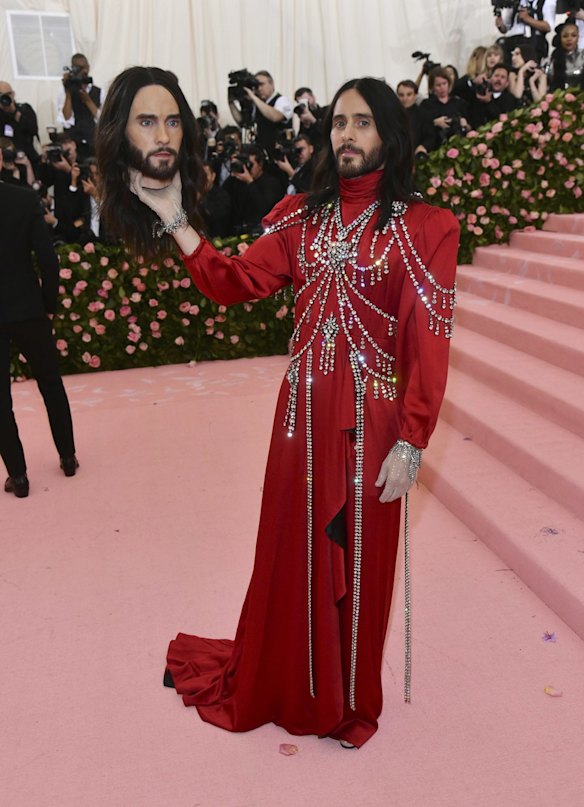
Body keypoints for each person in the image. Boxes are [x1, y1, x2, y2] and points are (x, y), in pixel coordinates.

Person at [97, 70, 458, 749]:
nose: (346, 135)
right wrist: (177, 217)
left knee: (363, 562)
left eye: (362, 123)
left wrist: (413, 440)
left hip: (375, 424)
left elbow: (428, 340)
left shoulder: (425, 228)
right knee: (295, 558)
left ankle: (346, 702)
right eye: (339, 123)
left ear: (389, 134)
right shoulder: (300, 220)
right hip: (299, 425)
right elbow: (233, 282)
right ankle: (293, 684)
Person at [0, 148, 78, 498]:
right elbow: (48, 259)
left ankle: (18, 478)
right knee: (51, 384)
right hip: (30, 309)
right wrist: (48, 305)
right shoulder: (23, 199)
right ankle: (68, 457)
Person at [57, 53, 106, 160]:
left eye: (84, 67)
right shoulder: (64, 92)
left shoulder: (99, 92)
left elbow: (102, 119)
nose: (83, 71)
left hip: (93, 143)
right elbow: (66, 118)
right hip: (74, 144)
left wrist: (88, 100)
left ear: (88, 67)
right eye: (78, 68)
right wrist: (69, 92)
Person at [420, 67, 470, 150]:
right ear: (432, 87)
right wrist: (434, 123)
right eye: (438, 85)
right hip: (435, 147)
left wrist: (465, 124)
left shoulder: (459, 103)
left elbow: (470, 128)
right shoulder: (426, 105)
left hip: (457, 147)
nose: (442, 88)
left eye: (444, 83)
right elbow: (420, 127)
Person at [244, 70, 293, 156]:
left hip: (280, 153)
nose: (259, 89)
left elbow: (275, 117)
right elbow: (242, 122)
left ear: (272, 84)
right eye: (256, 86)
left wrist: (253, 97)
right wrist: (231, 102)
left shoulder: (282, 100)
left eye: (262, 84)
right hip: (262, 152)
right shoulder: (258, 104)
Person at [0, 81, 40, 169]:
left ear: (13, 94)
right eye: (1, 95)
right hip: (5, 162)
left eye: (8, 94)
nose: (5, 98)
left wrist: (15, 113)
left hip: (27, 159)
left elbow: (33, 131)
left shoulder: (25, 109)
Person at [468, 63, 520, 129]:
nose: (498, 79)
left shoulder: (509, 99)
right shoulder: (480, 93)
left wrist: (489, 102)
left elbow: (502, 119)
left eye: (502, 77)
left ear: (507, 83)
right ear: (490, 79)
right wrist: (474, 81)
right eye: (496, 76)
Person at [547, 19, 584, 89]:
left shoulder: (582, 56)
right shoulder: (551, 60)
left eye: (573, 35)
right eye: (565, 36)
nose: (569, 39)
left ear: (578, 37)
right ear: (560, 38)